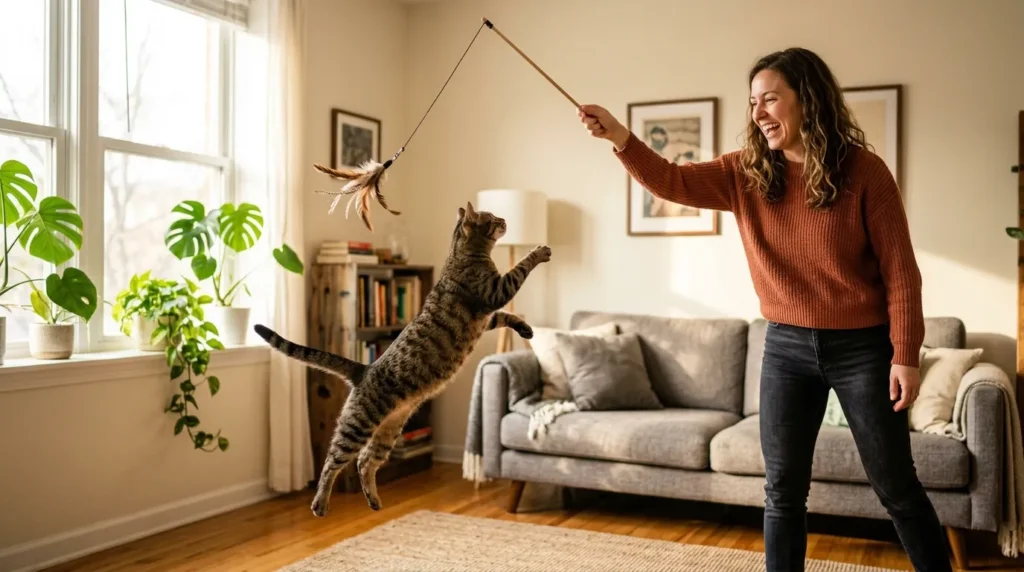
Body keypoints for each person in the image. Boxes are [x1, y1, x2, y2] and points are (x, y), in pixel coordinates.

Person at [578, 47, 951, 572]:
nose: (758, 114)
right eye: (753, 102)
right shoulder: (744, 173)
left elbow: (901, 274)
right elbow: (670, 180)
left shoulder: (865, 171)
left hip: (862, 349)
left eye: (770, 99)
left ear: (808, 99)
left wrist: (905, 355)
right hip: (785, 348)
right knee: (782, 492)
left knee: (896, 487)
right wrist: (620, 136)